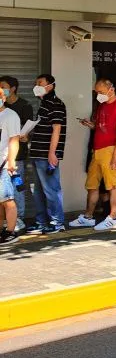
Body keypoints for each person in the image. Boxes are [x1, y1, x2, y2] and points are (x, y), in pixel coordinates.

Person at [70, 79, 116, 231]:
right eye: (97, 92)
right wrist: (91, 125)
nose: (99, 95)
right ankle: (88, 216)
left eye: (101, 92)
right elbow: (102, 127)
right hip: (97, 150)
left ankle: (113, 218)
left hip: (110, 150)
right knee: (92, 185)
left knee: (113, 185)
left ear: (111, 89)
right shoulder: (102, 106)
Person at [26, 74, 66, 234]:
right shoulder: (44, 104)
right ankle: (41, 221)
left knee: (51, 190)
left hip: (46, 155)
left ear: (50, 85)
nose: (37, 86)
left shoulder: (56, 103)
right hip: (37, 152)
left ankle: (57, 222)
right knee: (39, 191)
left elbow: (57, 129)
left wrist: (52, 153)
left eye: (40, 83)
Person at [0, 76, 32, 231]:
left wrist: (25, 137)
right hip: (4, 156)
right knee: (4, 194)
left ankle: (18, 219)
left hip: (15, 156)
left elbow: (27, 128)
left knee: (15, 189)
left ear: (12, 89)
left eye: (3, 87)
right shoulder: (4, 109)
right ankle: (7, 221)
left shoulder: (23, 106)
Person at [0, 86, 21, 244]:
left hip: (3, 164)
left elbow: (14, 139)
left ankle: (11, 231)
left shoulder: (10, 116)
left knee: (7, 199)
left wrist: (11, 161)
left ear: (4, 98)